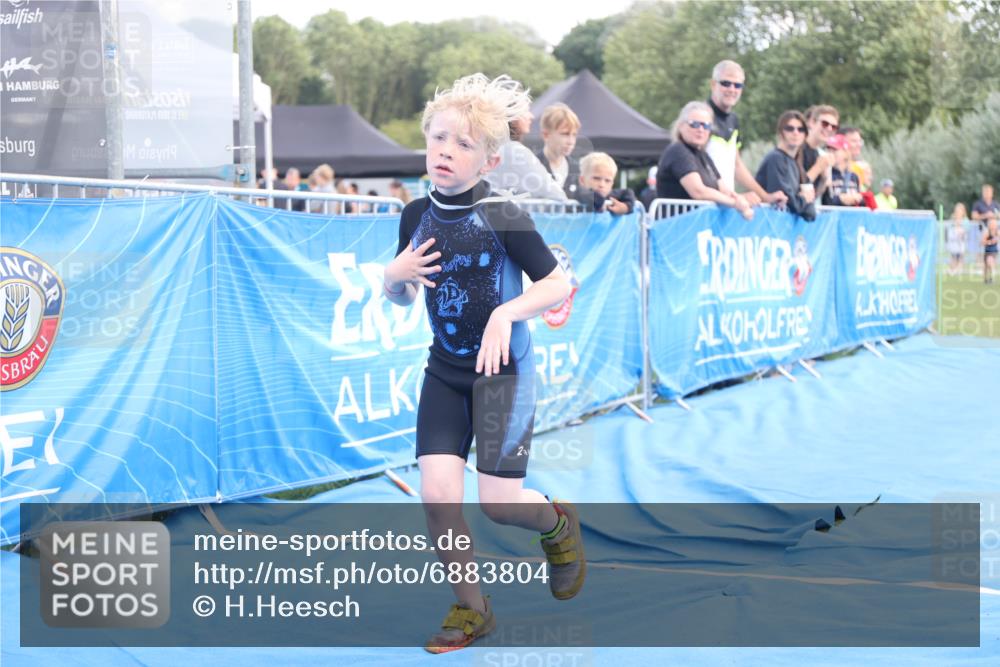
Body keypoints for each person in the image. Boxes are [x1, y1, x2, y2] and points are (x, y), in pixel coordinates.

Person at [382, 73, 584, 653]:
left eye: (463, 143)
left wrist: (505, 314)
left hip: (504, 376)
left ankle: (555, 522)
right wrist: (390, 279)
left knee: (498, 505)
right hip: (445, 373)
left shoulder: (503, 212)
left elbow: (555, 283)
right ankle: (473, 610)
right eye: (439, 138)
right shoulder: (414, 214)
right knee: (437, 497)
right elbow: (404, 293)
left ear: (489, 160)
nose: (446, 150)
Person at [704, 60, 786, 207]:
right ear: (713, 84)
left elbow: (737, 165)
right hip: (701, 206)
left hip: (726, 205)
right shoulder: (701, 116)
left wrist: (765, 196)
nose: (732, 89)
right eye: (726, 83)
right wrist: (736, 197)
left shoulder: (734, 120)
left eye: (737, 85)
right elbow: (695, 165)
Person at [655, 101, 754, 220]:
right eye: (695, 124)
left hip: (698, 229)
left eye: (706, 126)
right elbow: (698, 191)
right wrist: (735, 204)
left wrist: (741, 199)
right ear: (681, 126)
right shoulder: (678, 151)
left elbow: (724, 190)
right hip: (676, 230)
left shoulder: (703, 155)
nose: (701, 129)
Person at [485, 107, 569, 201]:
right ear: (512, 115)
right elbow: (556, 195)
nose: (531, 116)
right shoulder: (514, 150)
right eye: (525, 110)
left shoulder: (493, 147)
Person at [754, 110, 817, 222]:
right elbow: (791, 204)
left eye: (800, 129)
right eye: (789, 128)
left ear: (805, 135)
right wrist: (804, 199)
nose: (795, 132)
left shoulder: (797, 164)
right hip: (768, 228)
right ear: (780, 133)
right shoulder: (775, 159)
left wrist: (803, 200)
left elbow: (811, 213)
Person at [536, 103, 582, 197]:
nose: (571, 141)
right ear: (546, 135)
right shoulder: (532, 165)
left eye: (574, 135)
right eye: (565, 134)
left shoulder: (577, 169)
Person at [802, 105, 840, 203]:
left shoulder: (818, 154)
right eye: (825, 124)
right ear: (812, 123)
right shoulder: (797, 149)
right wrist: (818, 167)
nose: (829, 129)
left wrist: (824, 179)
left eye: (834, 127)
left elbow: (813, 196)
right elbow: (795, 189)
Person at [825, 134, 863, 207]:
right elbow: (824, 200)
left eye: (835, 150)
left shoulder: (854, 176)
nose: (830, 153)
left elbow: (860, 203)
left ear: (846, 153)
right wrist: (840, 199)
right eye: (828, 149)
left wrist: (858, 199)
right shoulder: (826, 173)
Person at [946, 203, 969, 276]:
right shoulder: (952, 220)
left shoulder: (965, 221)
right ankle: (952, 270)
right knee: (953, 257)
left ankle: (958, 270)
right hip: (954, 243)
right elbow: (950, 230)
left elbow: (966, 231)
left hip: (961, 243)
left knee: (960, 257)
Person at [983, 219, 998, 284]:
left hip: (994, 251)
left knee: (991, 264)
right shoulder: (987, 233)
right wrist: (988, 242)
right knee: (987, 265)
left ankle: (991, 278)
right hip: (987, 251)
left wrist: (996, 239)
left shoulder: (997, 232)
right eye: (992, 224)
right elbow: (982, 242)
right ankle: (986, 279)